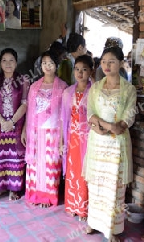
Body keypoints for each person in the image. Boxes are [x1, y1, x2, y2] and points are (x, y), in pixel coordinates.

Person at [83, 46, 136, 240]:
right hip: (97, 141)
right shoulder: (96, 87)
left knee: (113, 186)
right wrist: (103, 126)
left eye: (111, 61)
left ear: (121, 63)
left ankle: (111, 229)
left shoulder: (128, 89)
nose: (106, 65)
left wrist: (116, 127)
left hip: (116, 146)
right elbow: (90, 113)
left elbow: (128, 118)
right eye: (104, 61)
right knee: (96, 184)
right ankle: (93, 222)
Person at [23, 51, 67, 208]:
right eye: (44, 63)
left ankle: (48, 197)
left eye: (51, 63)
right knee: (35, 164)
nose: (47, 66)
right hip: (35, 133)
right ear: (40, 66)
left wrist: (63, 138)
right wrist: (24, 131)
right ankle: (34, 195)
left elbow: (64, 115)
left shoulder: (63, 87)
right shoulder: (34, 87)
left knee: (50, 165)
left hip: (53, 133)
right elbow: (29, 111)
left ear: (56, 66)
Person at [0, 48, 29, 201]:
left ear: (16, 63)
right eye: (4, 60)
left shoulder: (23, 80)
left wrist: (11, 122)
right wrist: (2, 122)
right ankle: (0, 187)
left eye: (11, 60)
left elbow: (25, 104)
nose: (8, 63)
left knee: (15, 159)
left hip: (16, 126)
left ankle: (14, 189)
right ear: (0, 63)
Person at [61, 55, 93, 221]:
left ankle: (84, 208)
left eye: (84, 69)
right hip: (71, 137)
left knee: (85, 171)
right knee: (73, 171)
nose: (80, 73)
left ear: (91, 72)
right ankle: (72, 205)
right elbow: (63, 119)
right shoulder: (67, 92)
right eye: (77, 69)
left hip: (88, 138)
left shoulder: (94, 91)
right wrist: (61, 141)